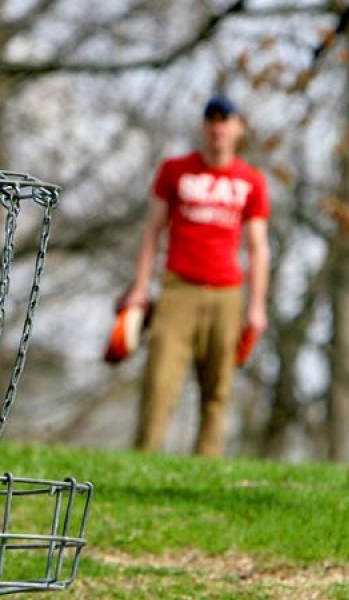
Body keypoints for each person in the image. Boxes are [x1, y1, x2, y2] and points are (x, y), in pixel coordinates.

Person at [121, 93, 271, 456]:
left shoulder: (251, 181)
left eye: (226, 119)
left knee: (218, 387)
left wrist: (257, 308)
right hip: (178, 289)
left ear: (239, 127)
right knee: (160, 380)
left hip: (227, 293)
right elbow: (153, 230)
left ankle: (207, 463)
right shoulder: (175, 171)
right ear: (204, 126)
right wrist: (140, 288)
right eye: (212, 119)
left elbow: (258, 247)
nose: (218, 127)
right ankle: (144, 457)